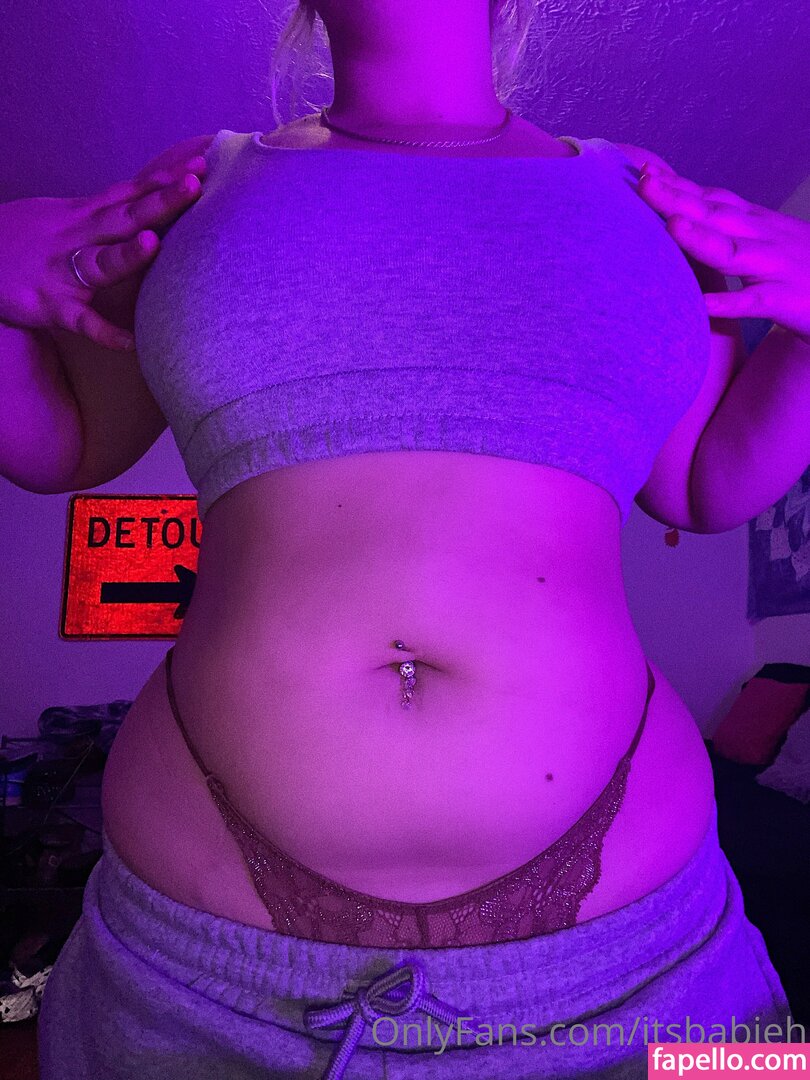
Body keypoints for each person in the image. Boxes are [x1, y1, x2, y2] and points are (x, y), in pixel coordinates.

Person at [4, 0, 807, 1076]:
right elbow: (64, 444)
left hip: (651, 976)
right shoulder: (199, 188)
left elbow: (706, 483)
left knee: (763, 1068)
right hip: (194, 984)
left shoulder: (642, 200)